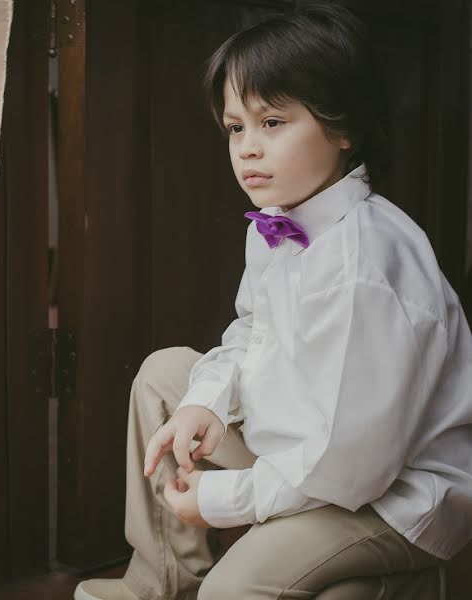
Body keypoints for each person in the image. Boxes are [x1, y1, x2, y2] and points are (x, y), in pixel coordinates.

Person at [74, 4, 472, 599]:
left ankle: (403, 581)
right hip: (309, 444)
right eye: (236, 127)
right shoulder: (278, 221)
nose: (247, 149)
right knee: (165, 382)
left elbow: (351, 466)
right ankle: (162, 584)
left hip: (389, 492)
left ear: (342, 128)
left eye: (273, 122)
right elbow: (252, 331)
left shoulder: (366, 262)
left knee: (234, 592)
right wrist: (205, 403)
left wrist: (222, 500)